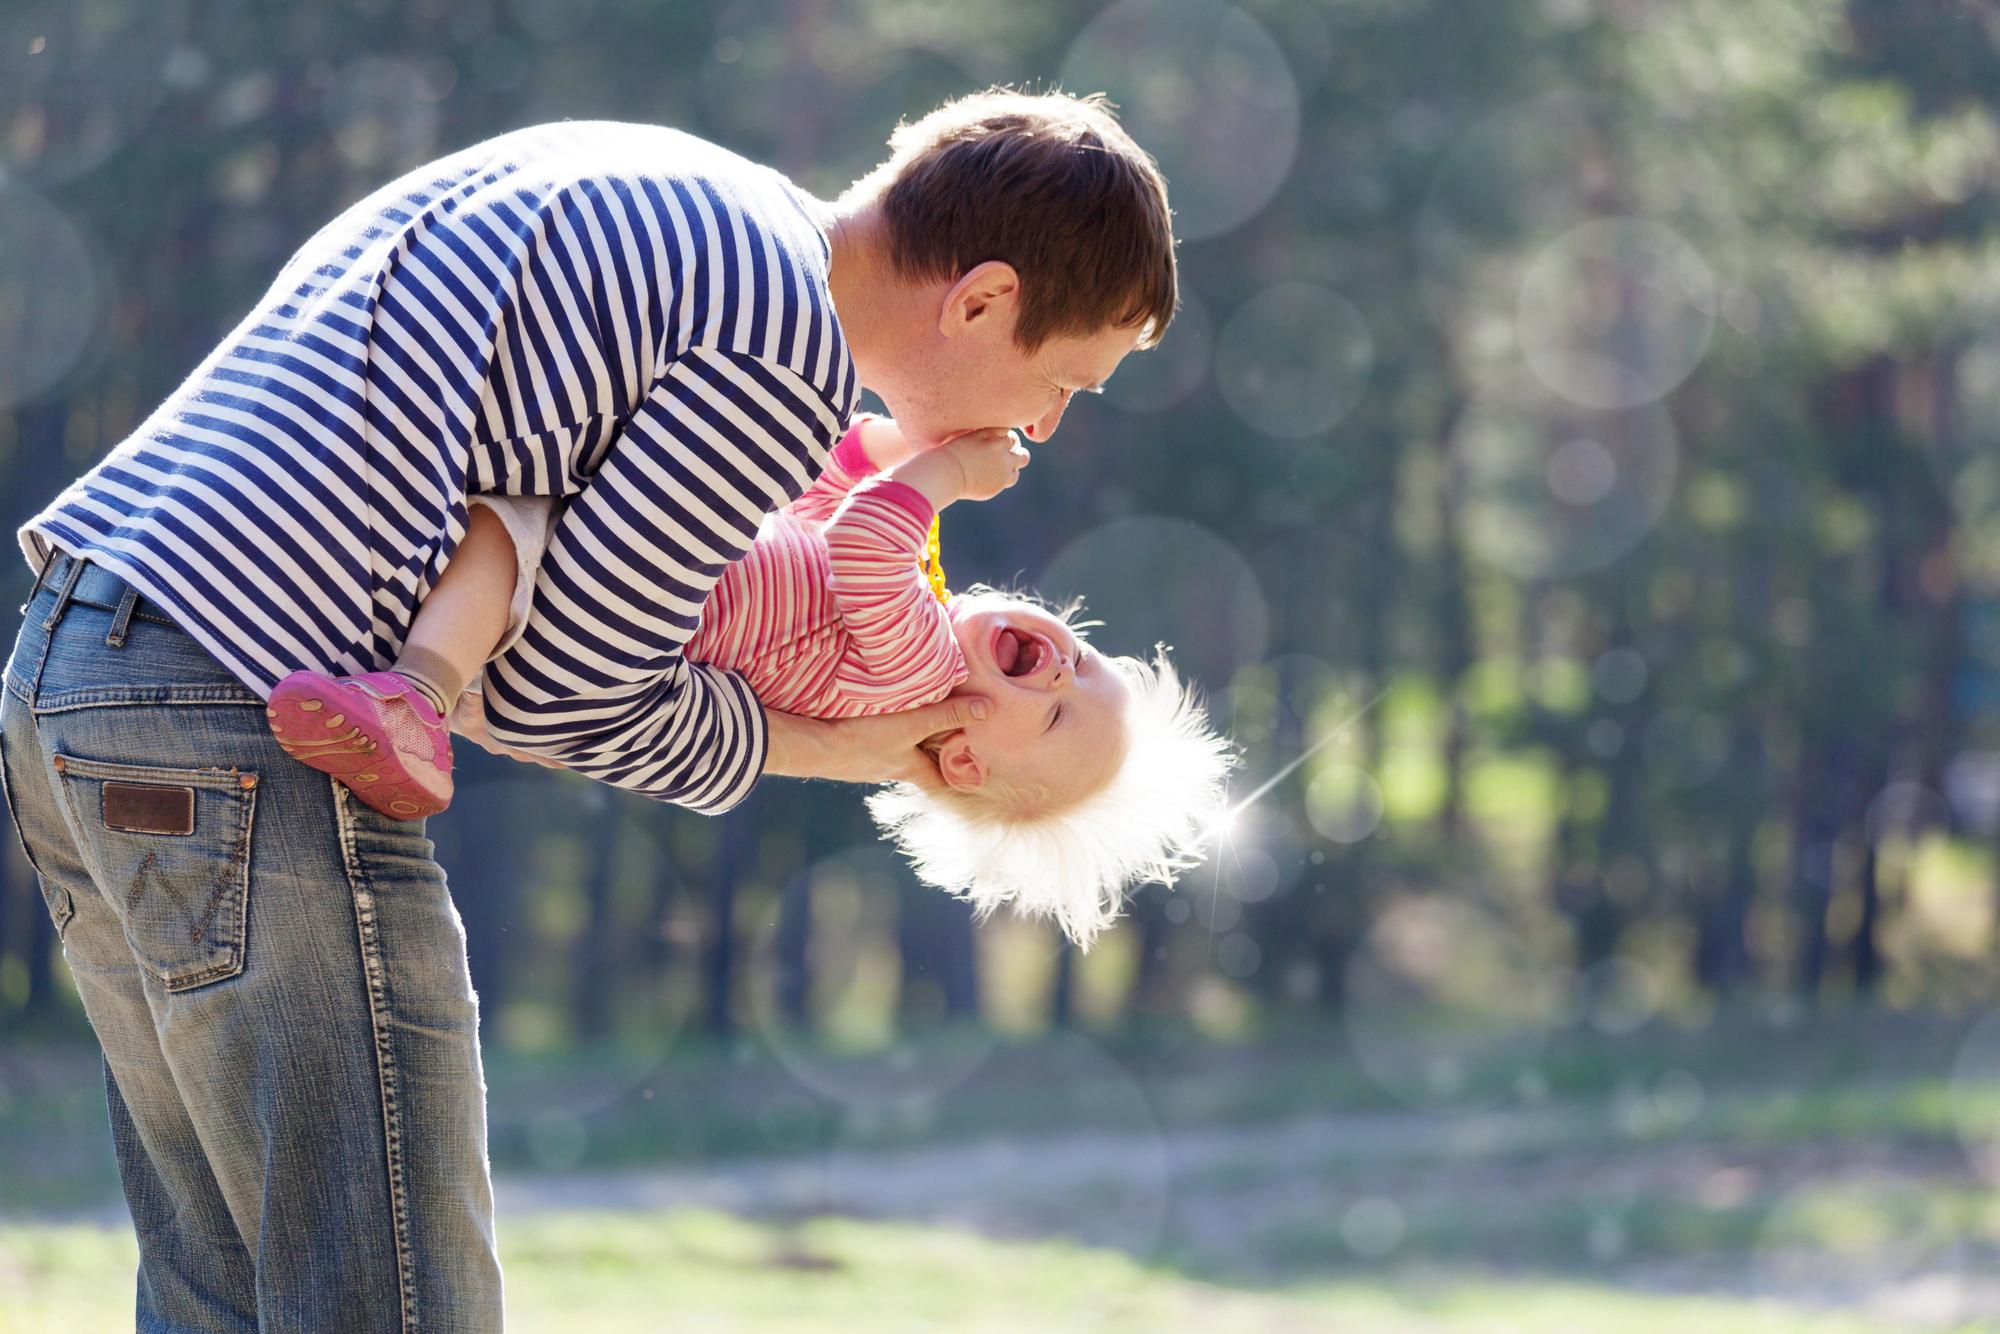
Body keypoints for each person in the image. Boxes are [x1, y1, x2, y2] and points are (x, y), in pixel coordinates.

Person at [0, 91, 1175, 1330]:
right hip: (248, 696)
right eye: (1059, 383)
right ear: (983, 301)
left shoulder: (672, 181)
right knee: (392, 1303)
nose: (1041, 425)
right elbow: (573, 694)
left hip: (85, 664)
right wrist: (841, 747)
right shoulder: (777, 345)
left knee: (218, 1290)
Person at [268, 417, 1234, 948]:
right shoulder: (920, 608)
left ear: (968, 757)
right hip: (608, 581)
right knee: (496, 533)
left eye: (1058, 713)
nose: (1065, 665)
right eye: (1090, 660)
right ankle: (410, 689)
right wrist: (899, 445)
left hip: (594, 602)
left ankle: (412, 701)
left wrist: (941, 471)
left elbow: (862, 540)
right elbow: (832, 488)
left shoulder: (915, 678)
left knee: (500, 530)